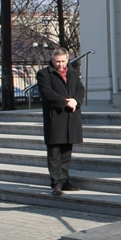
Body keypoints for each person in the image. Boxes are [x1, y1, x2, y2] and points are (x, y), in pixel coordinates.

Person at [36, 48, 85, 195]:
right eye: (57, 61)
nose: (60, 64)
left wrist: (75, 101)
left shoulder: (73, 73)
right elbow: (47, 93)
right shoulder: (44, 74)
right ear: (52, 60)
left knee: (66, 152)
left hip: (71, 117)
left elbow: (80, 90)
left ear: (67, 60)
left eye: (63, 61)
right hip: (55, 118)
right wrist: (65, 103)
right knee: (54, 152)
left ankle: (64, 180)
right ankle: (55, 183)